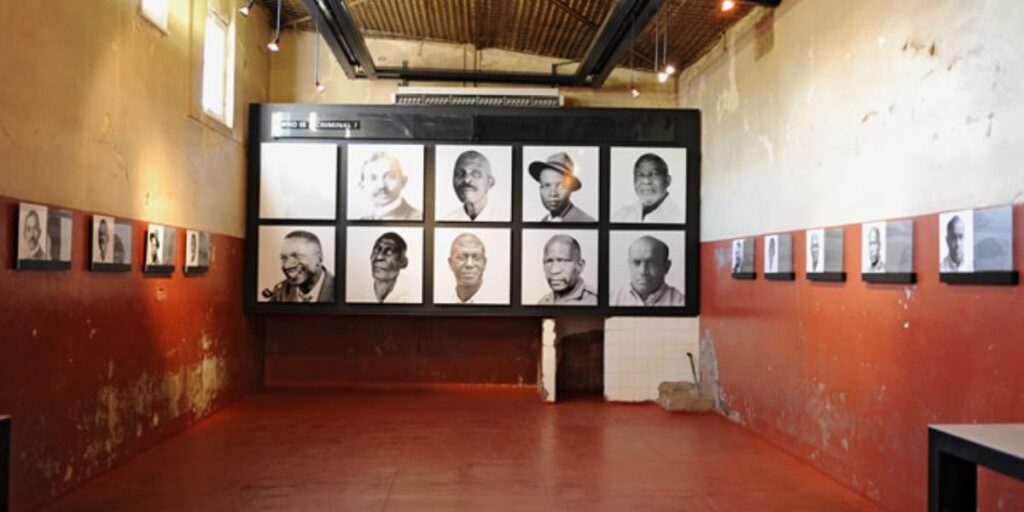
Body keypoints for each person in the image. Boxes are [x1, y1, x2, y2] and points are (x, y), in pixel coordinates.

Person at [611, 236, 685, 306]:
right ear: (629, 264)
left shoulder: (681, 302)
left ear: (667, 266)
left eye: (652, 263)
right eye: (636, 263)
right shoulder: (611, 300)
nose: (642, 271)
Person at [265, 230, 334, 303]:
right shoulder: (280, 293)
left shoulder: (342, 291)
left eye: (297, 256)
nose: (287, 266)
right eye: (283, 258)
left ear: (319, 260)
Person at [613, 153, 685, 222]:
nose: (646, 181)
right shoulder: (621, 215)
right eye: (640, 175)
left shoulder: (682, 215)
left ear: (668, 180)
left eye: (654, 174)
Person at [528, 152, 596, 222]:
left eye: (561, 186)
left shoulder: (586, 221)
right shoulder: (543, 221)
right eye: (547, 185)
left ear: (570, 189)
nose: (553, 193)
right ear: (540, 189)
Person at [358, 151, 421, 220]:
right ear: (362, 186)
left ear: (403, 181)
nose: (381, 186)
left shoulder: (418, 218)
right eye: (373, 178)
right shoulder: (360, 223)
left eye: (390, 177)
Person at [444, 150, 505, 221]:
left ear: (490, 183)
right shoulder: (447, 220)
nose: (466, 179)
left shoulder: (504, 218)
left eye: (475, 173)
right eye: (460, 173)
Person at [538, 235, 597, 305]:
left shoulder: (595, 301)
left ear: (579, 266)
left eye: (562, 261)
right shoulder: (543, 302)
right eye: (549, 261)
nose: (554, 270)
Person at [443, 233, 487, 304]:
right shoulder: (442, 300)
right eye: (461, 257)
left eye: (477, 258)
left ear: (484, 263)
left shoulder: (499, 301)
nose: (469, 264)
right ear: (450, 263)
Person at [369, 232, 409, 303]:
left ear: (403, 262)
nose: (379, 257)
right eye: (376, 250)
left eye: (389, 252)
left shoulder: (409, 297)